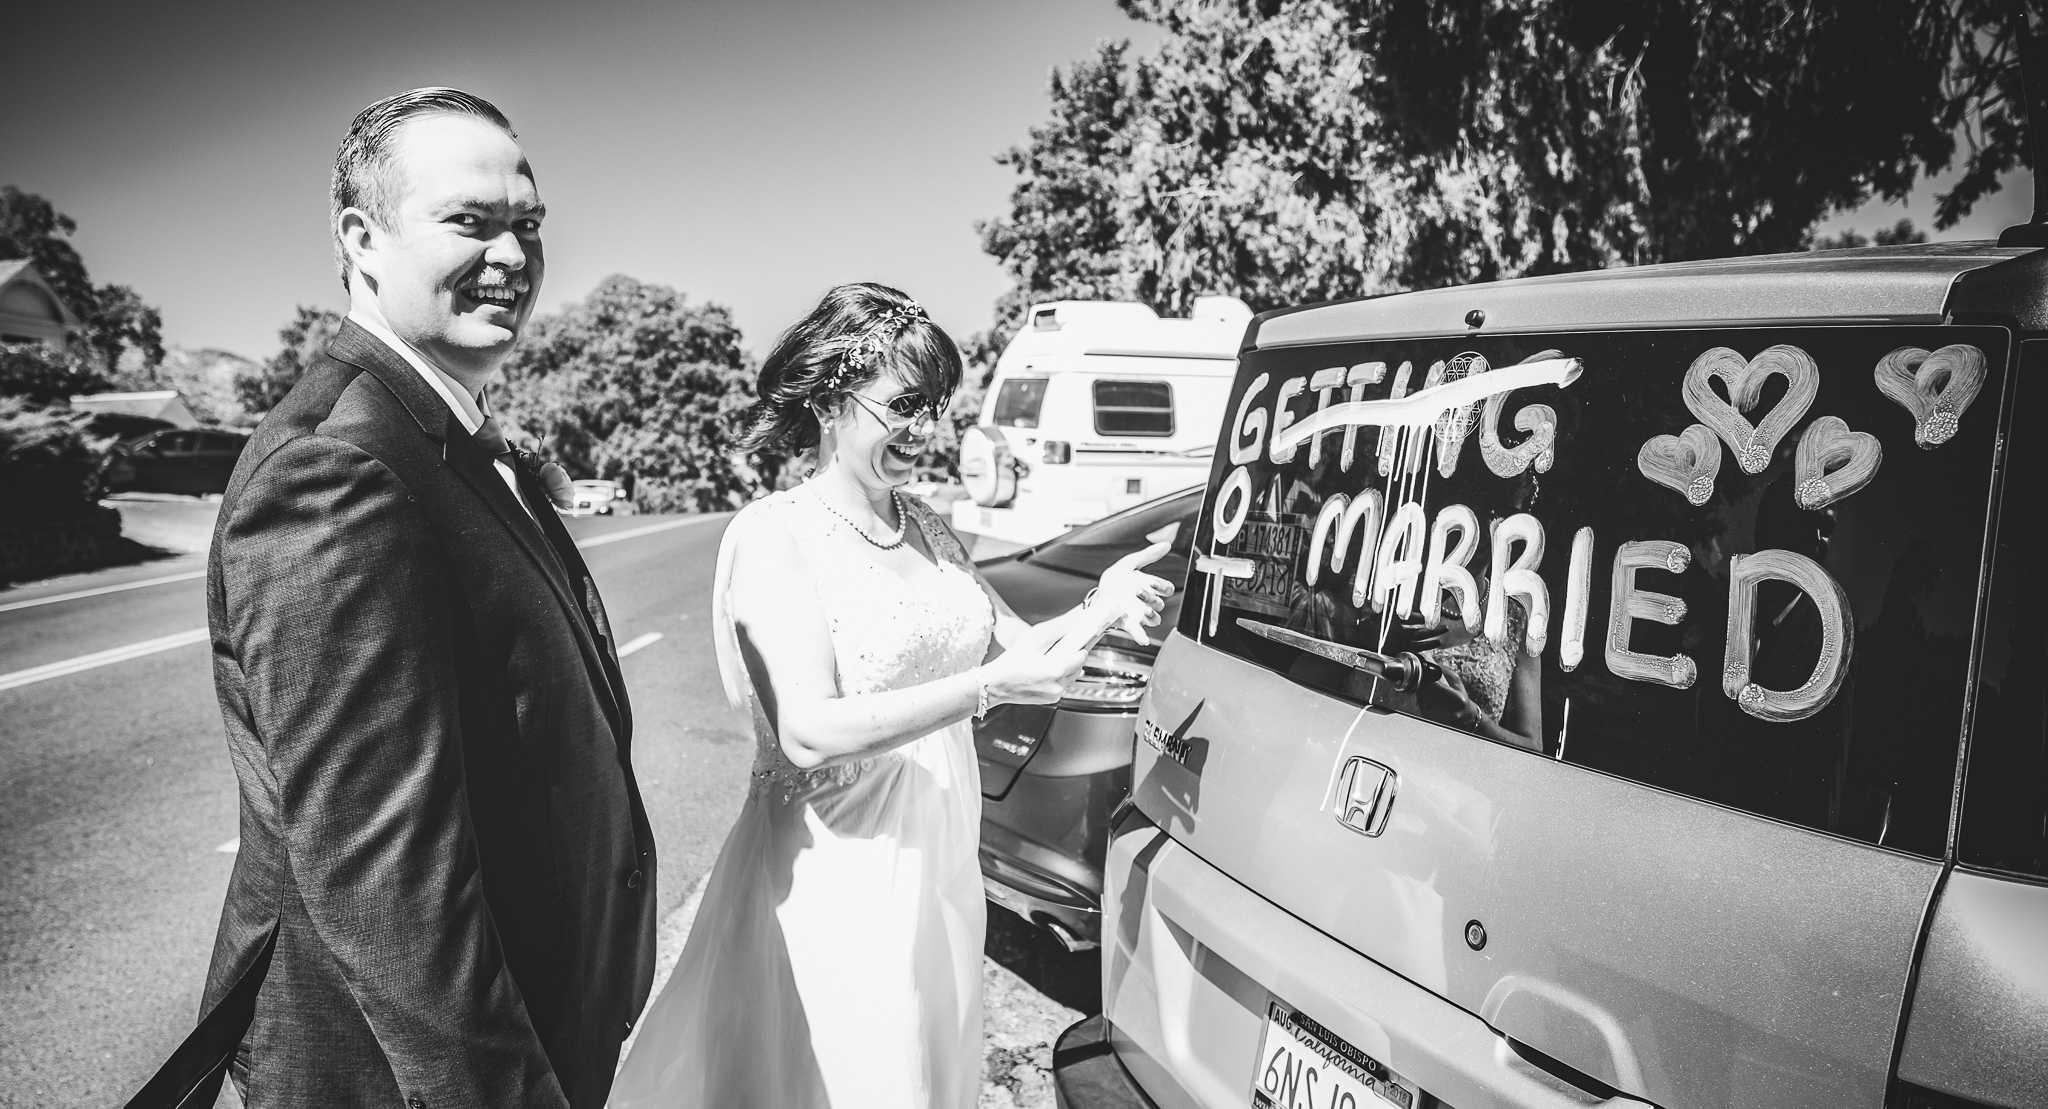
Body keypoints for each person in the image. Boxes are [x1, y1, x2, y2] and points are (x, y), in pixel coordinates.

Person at [129, 89, 655, 1109]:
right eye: (470, 220)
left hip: (539, 1013)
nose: (513, 254)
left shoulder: (438, 432)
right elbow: (384, 866)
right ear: (361, 238)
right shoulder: (337, 465)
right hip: (410, 1072)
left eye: (529, 223)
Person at [610, 283, 1172, 1108]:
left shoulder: (928, 526)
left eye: (935, 406)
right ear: (829, 401)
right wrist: (986, 689)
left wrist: (1101, 605)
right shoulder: (775, 535)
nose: (926, 429)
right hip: (837, 873)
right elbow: (807, 730)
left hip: (939, 864)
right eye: (904, 404)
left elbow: (1020, 650)